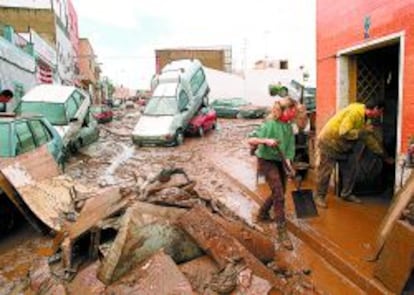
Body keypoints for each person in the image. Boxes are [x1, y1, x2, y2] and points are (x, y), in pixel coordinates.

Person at [315, 100, 393, 209]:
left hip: (344, 146)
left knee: (352, 168)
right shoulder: (355, 112)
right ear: (376, 108)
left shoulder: (367, 120)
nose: (381, 115)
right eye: (381, 111)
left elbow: (369, 139)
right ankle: (319, 196)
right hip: (330, 142)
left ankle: (346, 194)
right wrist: (362, 131)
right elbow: (344, 132)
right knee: (325, 171)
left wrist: (383, 155)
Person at [248, 98, 297, 250]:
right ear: (285, 110)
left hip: (279, 160)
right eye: (293, 110)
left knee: (279, 191)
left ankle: (262, 214)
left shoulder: (289, 127)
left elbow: (289, 150)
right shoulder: (269, 123)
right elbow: (251, 140)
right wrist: (266, 140)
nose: (294, 113)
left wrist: (289, 166)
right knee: (279, 194)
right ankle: (282, 232)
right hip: (266, 160)